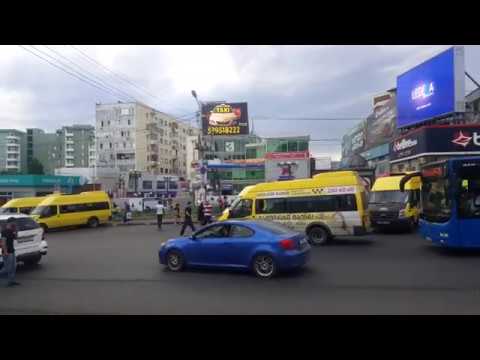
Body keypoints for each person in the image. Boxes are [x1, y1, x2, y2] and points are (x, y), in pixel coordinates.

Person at [0, 218, 20, 287]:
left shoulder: (12, 230)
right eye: (14, 222)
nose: (16, 224)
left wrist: (16, 231)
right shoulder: (4, 231)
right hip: (7, 252)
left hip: (12, 251)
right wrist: (5, 252)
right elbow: (3, 242)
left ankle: (11, 281)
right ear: (10, 223)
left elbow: (16, 238)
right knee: (7, 268)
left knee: (13, 267)